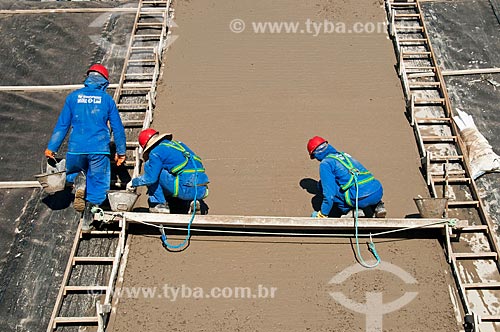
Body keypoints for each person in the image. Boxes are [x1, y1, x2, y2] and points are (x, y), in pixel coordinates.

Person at [45, 64, 127, 230]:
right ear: (104, 82)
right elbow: (117, 128)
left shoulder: (73, 97)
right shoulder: (106, 100)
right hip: (99, 150)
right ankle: (87, 221)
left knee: (74, 172)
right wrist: (121, 152)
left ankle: (79, 183)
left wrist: (51, 148)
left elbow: (62, 126)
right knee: (98, 184)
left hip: (76, 149)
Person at [127, 128, 209, 213]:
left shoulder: (156, 152)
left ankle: (159, 204)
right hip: (200, 189)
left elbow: (150, 178)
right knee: (181, 173)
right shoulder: (179, 145)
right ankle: (194, 202)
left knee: (150, 167)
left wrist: (134, 182)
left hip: (184, 188)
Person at [307, 136, 386, 218]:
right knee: (360, 181)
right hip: (377, 191)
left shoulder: (326, 163)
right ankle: (378, 206)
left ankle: (351, 211)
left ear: (316, 154)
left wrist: (323, 214)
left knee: (321, 185)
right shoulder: (344, 155)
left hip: (360, 198)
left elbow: (329, 194)